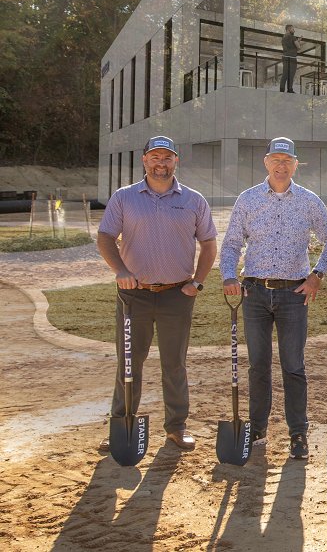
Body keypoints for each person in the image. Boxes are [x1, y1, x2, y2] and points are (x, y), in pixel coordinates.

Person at [220, 137, 327, 459]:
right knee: (258, 365)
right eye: (276, 159)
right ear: (266, 162)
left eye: (288, 160)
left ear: (295, 164)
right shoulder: (247, 200)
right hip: (255, 292)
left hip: (293, 295)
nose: (281, 165)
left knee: (293, 366)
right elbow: (232, 243)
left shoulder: (309, 201)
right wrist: (229, 275)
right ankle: (257, 428)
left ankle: (298, 433)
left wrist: (317, 275)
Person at [97, 136, 217, 453]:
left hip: (177, 295)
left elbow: (208, 244)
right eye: (155, 156)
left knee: (174, 363)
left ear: (176, 161)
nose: (160, 162)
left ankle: (176, 426)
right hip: (133, 295)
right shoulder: (124, 198)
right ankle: (121, 425)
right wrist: (120, 271)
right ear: (145, 160)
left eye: (167, 157)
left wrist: (198, 282)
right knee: (128, 362)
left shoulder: (193, 200)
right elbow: (106, 236)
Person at [280, 24, 301, 93]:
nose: (294, 30)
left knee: (285, 74)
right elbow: (298, 47)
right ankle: (290, 89)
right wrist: (298, 41)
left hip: (285, 57)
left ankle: (282, 89)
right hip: (292, 58)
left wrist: (297, 42)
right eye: (293, 29)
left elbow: (290, 47)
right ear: (289, 29)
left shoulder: (283, 38)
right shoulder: (292, 37)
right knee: (291, 74)